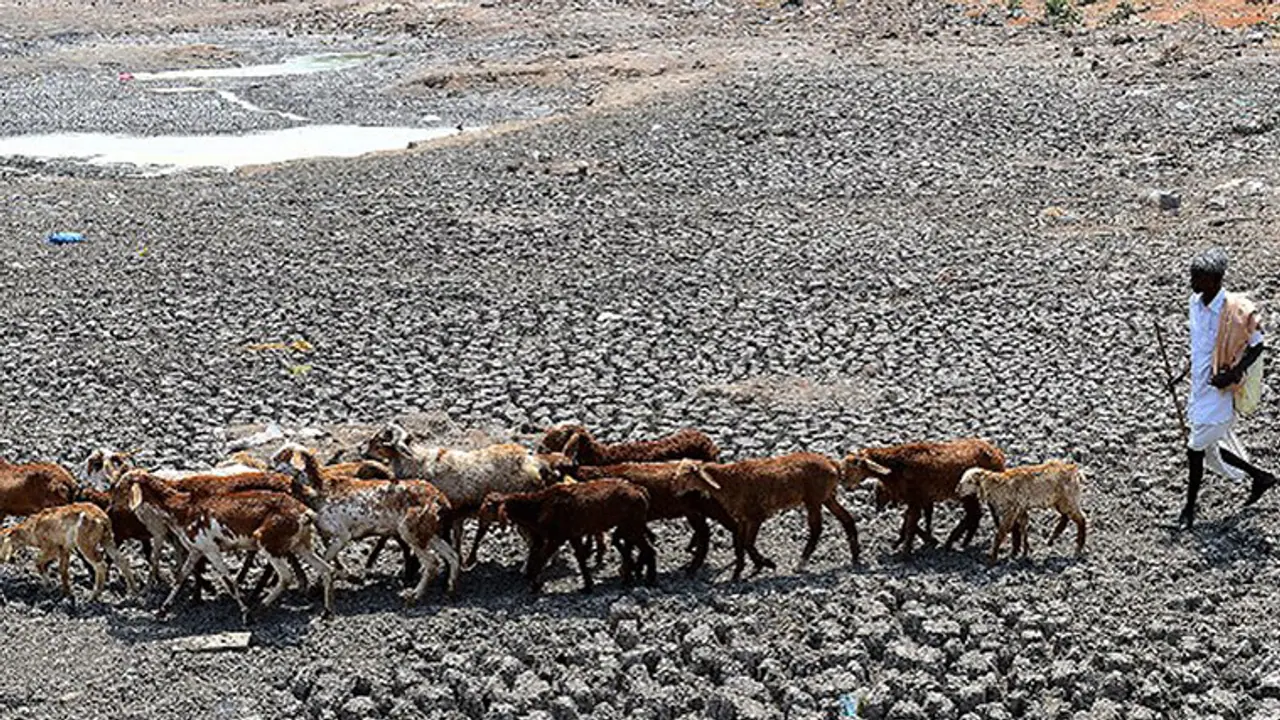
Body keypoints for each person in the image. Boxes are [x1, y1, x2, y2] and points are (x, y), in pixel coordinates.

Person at [1173, 248, 1276, 529]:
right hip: (1199, 386)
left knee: (1195, 448)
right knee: (1208, 444)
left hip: (1221, 391)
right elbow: (1200, 347)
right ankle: (1260, 476)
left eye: (1198, 278)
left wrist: (1232, 373)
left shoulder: (1237, 311)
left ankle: (1189, 510)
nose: (1192, 282)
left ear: (1215, 281)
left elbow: (1258, 346)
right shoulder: (1194, 303)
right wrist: (1183, 374)